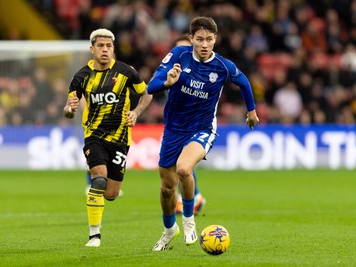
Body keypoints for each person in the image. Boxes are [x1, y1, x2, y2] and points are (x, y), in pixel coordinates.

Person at [147, 16, 259, 251]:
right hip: (174, 129)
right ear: (191, 39)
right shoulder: (179, 56)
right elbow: (152, 85)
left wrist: (251, 111)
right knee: (167, 188)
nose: (205, 44)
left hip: (202, 129)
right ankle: (169, 230)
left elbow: (245, 82)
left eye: (209, 39)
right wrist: (167, 82)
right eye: (200, 39)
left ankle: (188, 220)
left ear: (215, 40)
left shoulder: (223, 66)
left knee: (184, 169)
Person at [63, 28, 152, 248]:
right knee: (99, 179)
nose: (105, 50)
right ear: (92, 49)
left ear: (113, 48)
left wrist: (136, 112)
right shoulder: (81, 77)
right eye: (101, 46)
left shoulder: (126, 72)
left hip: (121, 138)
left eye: (109, 46)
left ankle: (94, 171)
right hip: (94, 135)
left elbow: (146, 94)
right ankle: (94, 235)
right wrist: (70, 109)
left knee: (111, 194)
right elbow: (68, 109)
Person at [173, 34, 206, 215]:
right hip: (176, 120)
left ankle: (190, 198)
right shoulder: (173, 67)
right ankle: (195, 195)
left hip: (196, 123)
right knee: (177, 163)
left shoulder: (203, 70)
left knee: (182, 163)